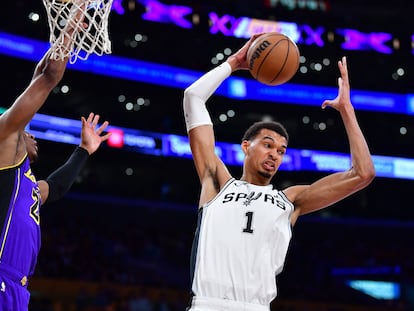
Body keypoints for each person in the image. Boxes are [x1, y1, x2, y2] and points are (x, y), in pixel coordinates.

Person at [183, 33, 376, 311]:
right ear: (246, 147)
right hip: (207, 305)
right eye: (268, 145)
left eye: (282, 150)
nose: (275, 154)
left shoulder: (291, 200)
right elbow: (193, 97)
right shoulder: (217, 182)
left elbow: (363, 173)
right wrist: (234, 63)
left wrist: (347, 110)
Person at [0, 6, 111, 311]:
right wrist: (73, 23)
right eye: (27, 131)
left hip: (17, 288)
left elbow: (56, 188)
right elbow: (47, 76)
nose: (32, 135)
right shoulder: (3, 140)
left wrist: (84, 150)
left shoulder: (25, 183)